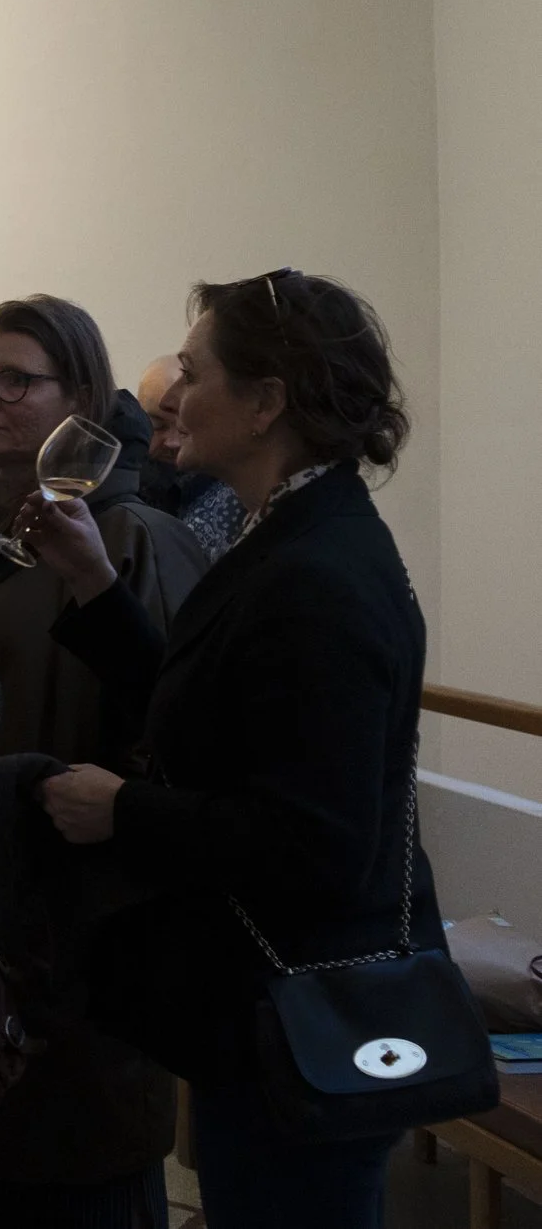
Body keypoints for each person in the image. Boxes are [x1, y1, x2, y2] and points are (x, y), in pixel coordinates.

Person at [27, 271, 442, 1229]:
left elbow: (314, 844)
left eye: (198, 371)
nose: (172, 394)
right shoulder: (295, 534)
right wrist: (97, 583)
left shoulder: (318, 573)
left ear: (266, 403)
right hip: (273, 1009)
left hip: (299, 1015)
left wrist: (120, 809)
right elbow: (213, 714)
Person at [0, 298, 209, 1227]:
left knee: (78, 1166)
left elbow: (174, 723)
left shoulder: (134, 538)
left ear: (77, 394)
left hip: (77, 919)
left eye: (17, 379)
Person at [136, 362, 242, 560]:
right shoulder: (127, 479)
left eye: (184, 425)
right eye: (157, 426)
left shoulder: (238, 487)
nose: (173, 442)